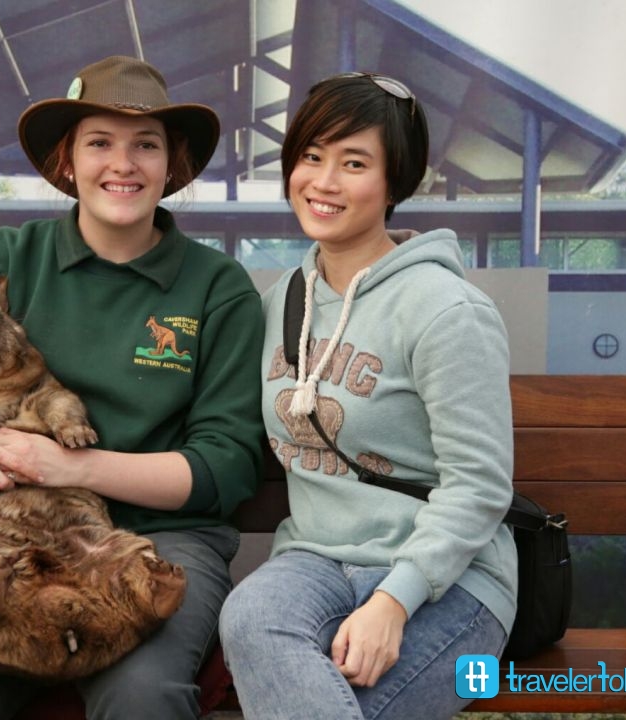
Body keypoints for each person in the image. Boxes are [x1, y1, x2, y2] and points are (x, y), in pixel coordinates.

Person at [0, 55, 265, 720]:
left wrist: (69, 466)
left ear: (172, 165)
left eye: (145, 145)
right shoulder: (4, 260)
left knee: (143, 696)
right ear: (67, 161)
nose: (123, 164)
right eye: (100, 143)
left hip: (161, 535)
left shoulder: (214, 287)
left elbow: (226, 466)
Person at [218, 72, 516, 719]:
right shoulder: (282, 303)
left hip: (452, 581)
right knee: (248, 617)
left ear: (394, 181)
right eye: (311, 156)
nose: (323, 181)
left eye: (353, 163)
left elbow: (479, 485)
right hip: (315, 562)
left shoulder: (446, 309)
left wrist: (393, 601)